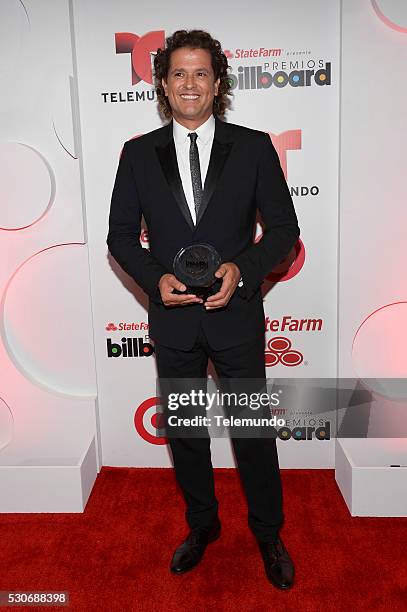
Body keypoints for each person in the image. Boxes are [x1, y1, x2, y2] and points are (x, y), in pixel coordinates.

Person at [107, 29, 300, 590]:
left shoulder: (255, 146)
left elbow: (284, 230)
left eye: (200, 73)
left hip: (235, 314)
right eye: (178, 74)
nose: (189, 83)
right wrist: (154, 278)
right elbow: (121, 237)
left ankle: (268, 532)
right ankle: (202, 526)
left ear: (218, 83)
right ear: (163, 85)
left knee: (252, 433)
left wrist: (243, 271)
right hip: (173, 320)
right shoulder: (138, 153)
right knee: (188, 432)